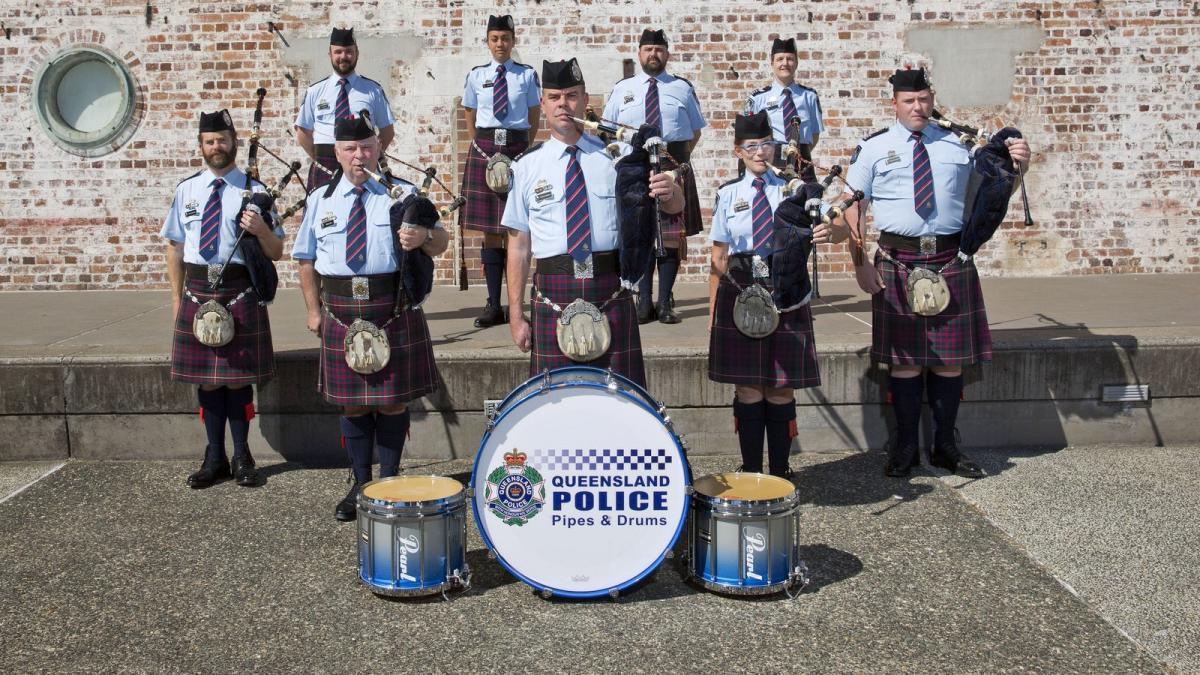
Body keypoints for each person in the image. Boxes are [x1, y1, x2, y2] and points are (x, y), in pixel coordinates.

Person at [843, 67, 1030, 478]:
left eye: (924, 99)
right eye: (909, 101)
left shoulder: (958, 144)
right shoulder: (874, 148)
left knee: (950, 362)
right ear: (894, 103)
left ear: (932, 99)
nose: (918, 107)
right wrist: (859, 263)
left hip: (950, 259)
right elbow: (853, 205)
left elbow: (993, 193)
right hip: (896, 260)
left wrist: (1018, 170)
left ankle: (946, 446)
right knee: (904, 363)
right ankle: (905, 446)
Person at [291, 115, 450, 521]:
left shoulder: (404, 195)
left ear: (378, 148)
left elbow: (442, 240)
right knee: (353, 406)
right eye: (350, 149)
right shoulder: (319, 200)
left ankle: (391, 484)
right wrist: (313, 310)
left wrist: (424, 238)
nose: (358, 156)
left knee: (394, 404)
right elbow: (306, 260)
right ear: (337, 154)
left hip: (392, 308)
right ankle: (360, 485)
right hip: (342, 313)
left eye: (366, 147)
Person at [503, 58, 686, 386]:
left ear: (586, 101)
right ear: (542, 104)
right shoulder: (527, 167)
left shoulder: (616, 157)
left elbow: (674, 206)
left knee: (622, 401)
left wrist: (670, 190)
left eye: (572, 95)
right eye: (555, 97)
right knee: (556, 403)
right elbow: (518, 245)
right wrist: (516, 315)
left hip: (610, 288)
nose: (564, 104)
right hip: (552, 292)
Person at [708, 111, 839, 478]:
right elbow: (718, 257)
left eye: (766, 144)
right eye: (751, 146)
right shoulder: (728, 194)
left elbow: (839, 223)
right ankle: (752, 471)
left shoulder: (796, 188)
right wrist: (711, 314)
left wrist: (833, 232)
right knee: (749, 389)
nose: (760, 152)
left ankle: (780, 472)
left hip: (787, 287)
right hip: (741, 289)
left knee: (781, 390)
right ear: (739, 151)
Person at [161, 109, 284, 489]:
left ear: (234, 142)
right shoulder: (188, 190)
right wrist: (176, 301)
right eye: (210, 141)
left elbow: (277, 250)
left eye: (223, 140)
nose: (217, 147)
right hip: (198, 291)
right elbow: (175, 248)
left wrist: (262, 228)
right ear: (201, 146)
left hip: (239, 289)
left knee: (236, 381)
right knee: (209, 382)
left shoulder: (256, 191)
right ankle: (214, 456)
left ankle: (243, 455)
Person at [603, 28, 705, 324]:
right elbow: (607, 129)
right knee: (642, 232)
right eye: (648, 49)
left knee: (671, 238)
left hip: (672, 165)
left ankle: (664, 303)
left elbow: (694, 132)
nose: (653, 54)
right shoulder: (623, 88)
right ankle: (644, 303)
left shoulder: (682, 88)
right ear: (639, 53)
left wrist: (675, 163)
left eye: (659, 49)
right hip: (637, 167)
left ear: (667, 54)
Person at [459, 14, 541, 328]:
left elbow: (534, 114)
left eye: (505, 38)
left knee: (517, 229)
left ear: (513, 40)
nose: (500, 44)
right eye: (494, 39)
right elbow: (470, 113)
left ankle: (517, 303)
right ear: (488, 41)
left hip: (518, 150)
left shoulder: (527, 75)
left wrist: (523, 147)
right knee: (492, 233)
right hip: (485, 150)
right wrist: (483, 145)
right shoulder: (477, 75)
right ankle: (494, 304)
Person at [295, 27, 395, 191]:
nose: (343, 57)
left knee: (363, 211)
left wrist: (369, 157)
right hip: (324, 164)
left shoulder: (373, 90)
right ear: (330, 54)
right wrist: (322, 159)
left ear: (357, 53)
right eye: (338, 52)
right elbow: (303, 133)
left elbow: (387, 132)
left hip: (361, 163)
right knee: (321, 213)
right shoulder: (315, 91)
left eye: (349, 51)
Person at [743, 37, 823, 180]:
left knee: (808, 200)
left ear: (797, 63)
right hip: (770, 159)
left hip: (801, 160)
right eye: (780, 59)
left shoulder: (809, 96)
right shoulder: (758, 98)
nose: (785, 63)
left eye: (790, 59)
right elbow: (748, 138)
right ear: (772, 63)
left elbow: (815, 134)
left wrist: (796, 153)